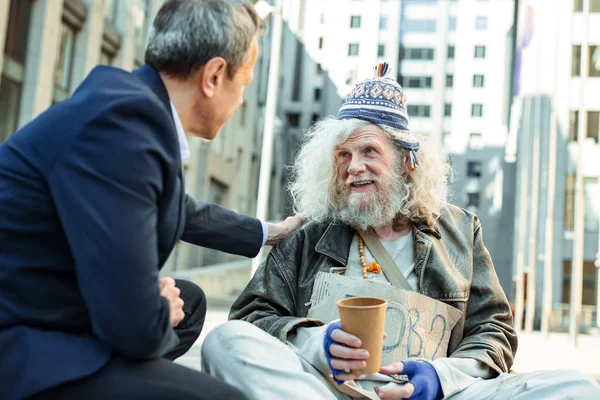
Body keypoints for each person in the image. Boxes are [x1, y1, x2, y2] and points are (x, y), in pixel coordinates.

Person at [201, 63, 600, 400]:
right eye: (343, 155)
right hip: (324, 392)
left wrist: (439, 378)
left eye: (369, 151)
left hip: (430, 396)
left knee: (577, 387)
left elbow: (493, 329)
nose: (354, 166)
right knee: (225, 342)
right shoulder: (310, 234)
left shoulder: (461, 230)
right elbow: (251, 317)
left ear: (407, 161)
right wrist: (314, 344)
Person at [0, 1, 301, 399]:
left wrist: (269, 233)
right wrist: (154, 310)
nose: (242, 99)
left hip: (47, 300)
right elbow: (134, 328)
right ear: (213, 76)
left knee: (188, 303)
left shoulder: (133, 106)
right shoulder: (124, 128)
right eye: (243, 83)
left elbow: (179, 207)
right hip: (23, 337)